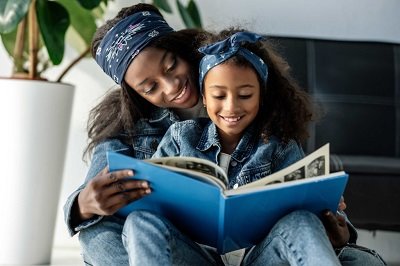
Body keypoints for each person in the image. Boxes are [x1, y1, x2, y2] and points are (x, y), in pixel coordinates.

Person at [63, 3, 383, 264]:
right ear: (135, 95)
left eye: (172, 65)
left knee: (347, 253)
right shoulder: (136, 129)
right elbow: (97, 195)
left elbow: (307, 197)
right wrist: (83, 204)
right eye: (150, 87)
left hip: (262, 252)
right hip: (185, 252)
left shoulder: (235, 76)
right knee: (99, 236)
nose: (172, 85)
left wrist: (341, 232)